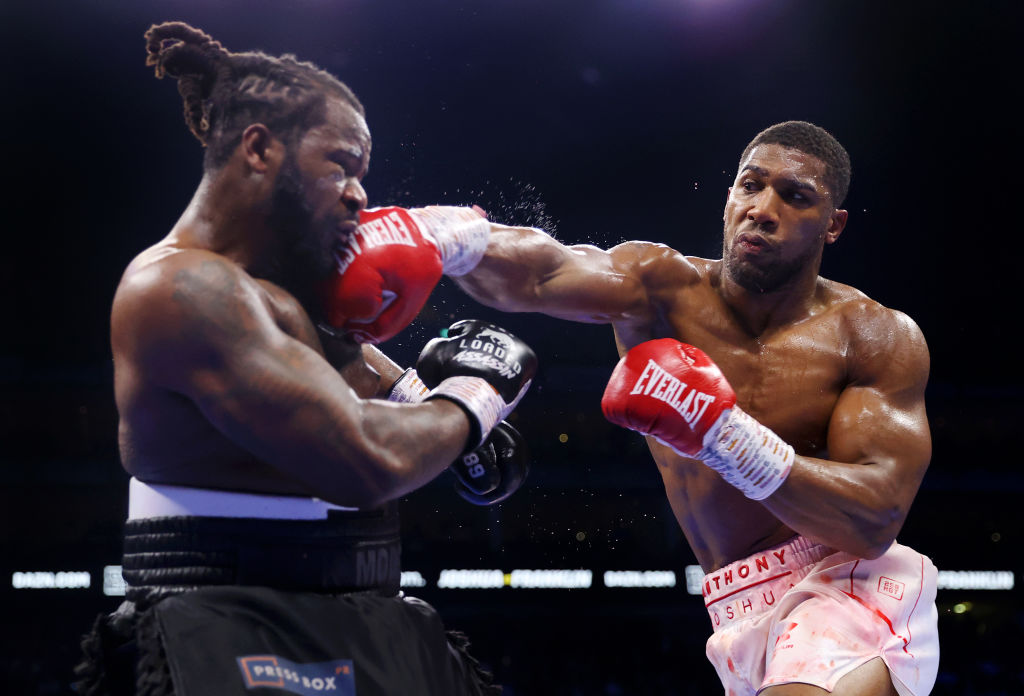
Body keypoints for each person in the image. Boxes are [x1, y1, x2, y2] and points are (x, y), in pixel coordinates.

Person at [75, 21, 537, 696]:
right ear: (260, 150)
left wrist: (442, 411)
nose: (359, 194)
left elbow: (420, 420)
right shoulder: (180, 289)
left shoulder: (286, 293)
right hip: (234, 622)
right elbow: (364, 461)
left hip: (370, 608)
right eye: (341, 165)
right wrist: (473, 396)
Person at [448, 121, 939, 695]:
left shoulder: (873, 336)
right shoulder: (660, 287)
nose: (762, 208)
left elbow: (874, 519)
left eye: (795, 196)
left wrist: (726, 437)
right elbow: (541, 273)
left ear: (834, 225)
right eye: (750, 185)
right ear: (730, 193)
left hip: (846, 583)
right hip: (732, 606)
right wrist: (442, 238)